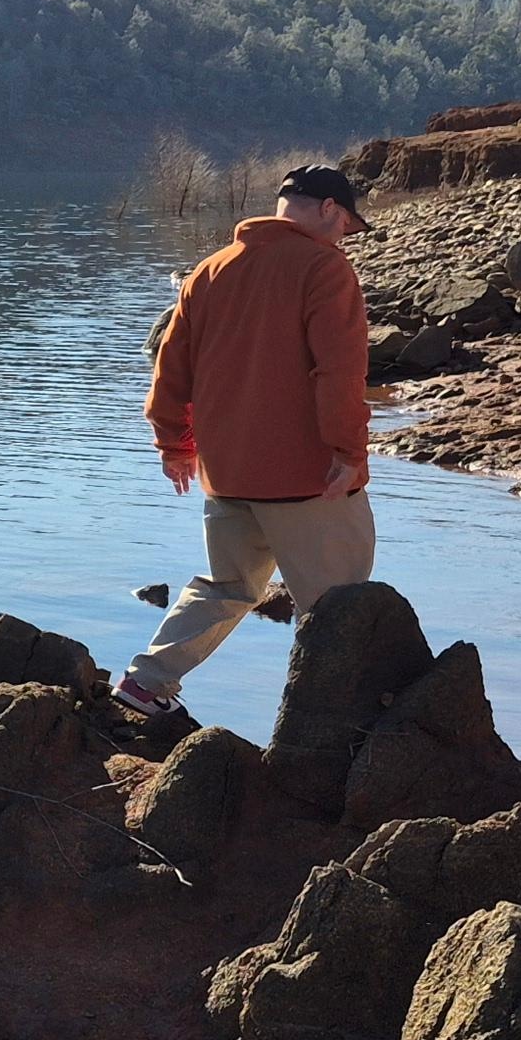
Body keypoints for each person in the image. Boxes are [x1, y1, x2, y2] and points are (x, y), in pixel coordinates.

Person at [113, 163, 376, 730]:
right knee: (340, 606)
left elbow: (171, 369)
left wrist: (175, 444)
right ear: (329, 209)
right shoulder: (324, 267)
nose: (344, 237)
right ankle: (331, 723)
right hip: (307, 477)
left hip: (226, 470)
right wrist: (349, 453)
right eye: (346, 225)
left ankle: (145, 683)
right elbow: (338, 373)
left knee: (228, 586)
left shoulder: (210, 269)